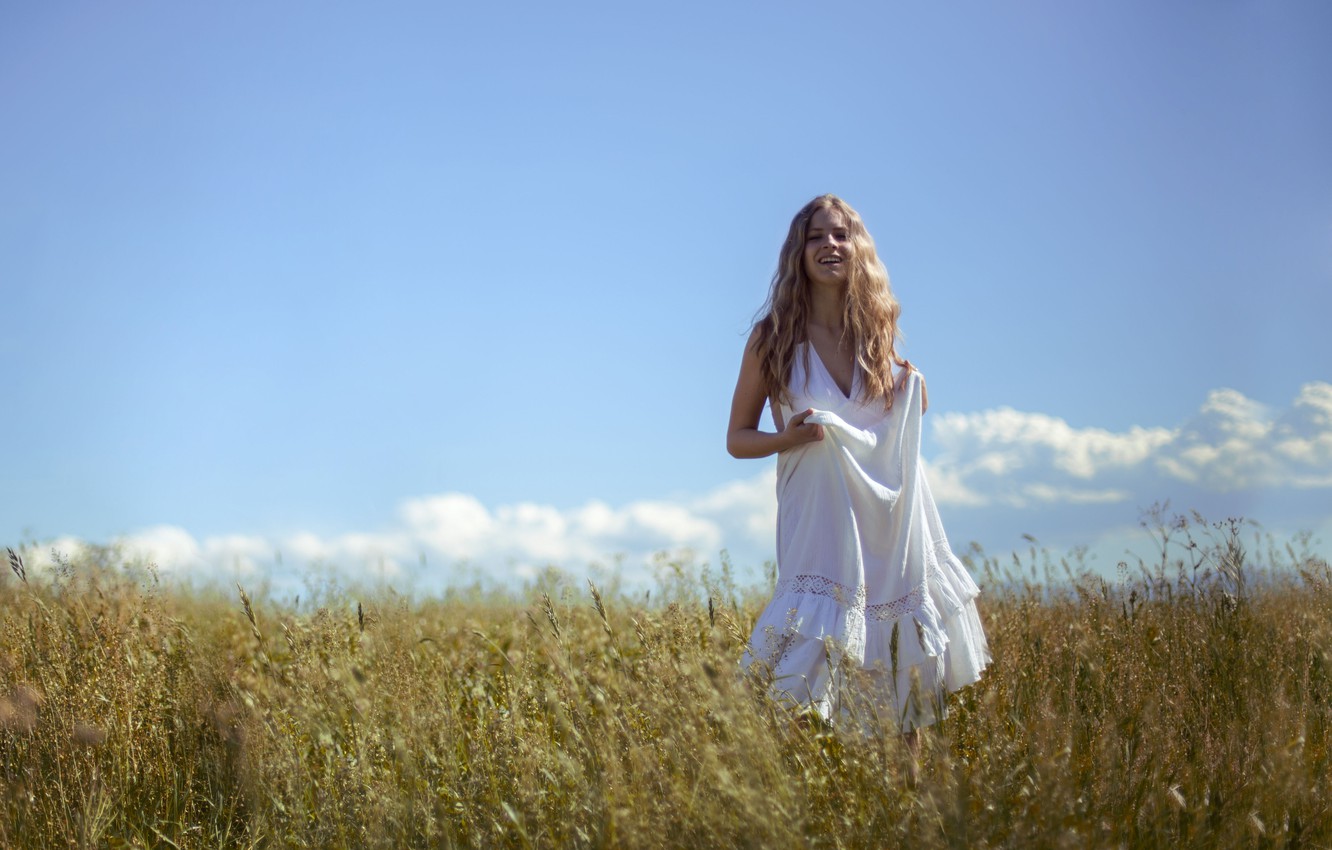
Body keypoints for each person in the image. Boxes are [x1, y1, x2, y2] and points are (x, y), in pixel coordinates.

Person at [727, 194, 989, 733]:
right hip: (818, 519)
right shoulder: (773, 338)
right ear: (798, 252)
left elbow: (902, 414)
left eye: (841, 235)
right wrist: (787, 439)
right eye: (816, 236)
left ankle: (904, 784)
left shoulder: (875, 333)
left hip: (886, 522)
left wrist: (915, 387)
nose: (829, 245)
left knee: (899, 674)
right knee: (803, 685)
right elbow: (737, 439)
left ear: (857, 248)